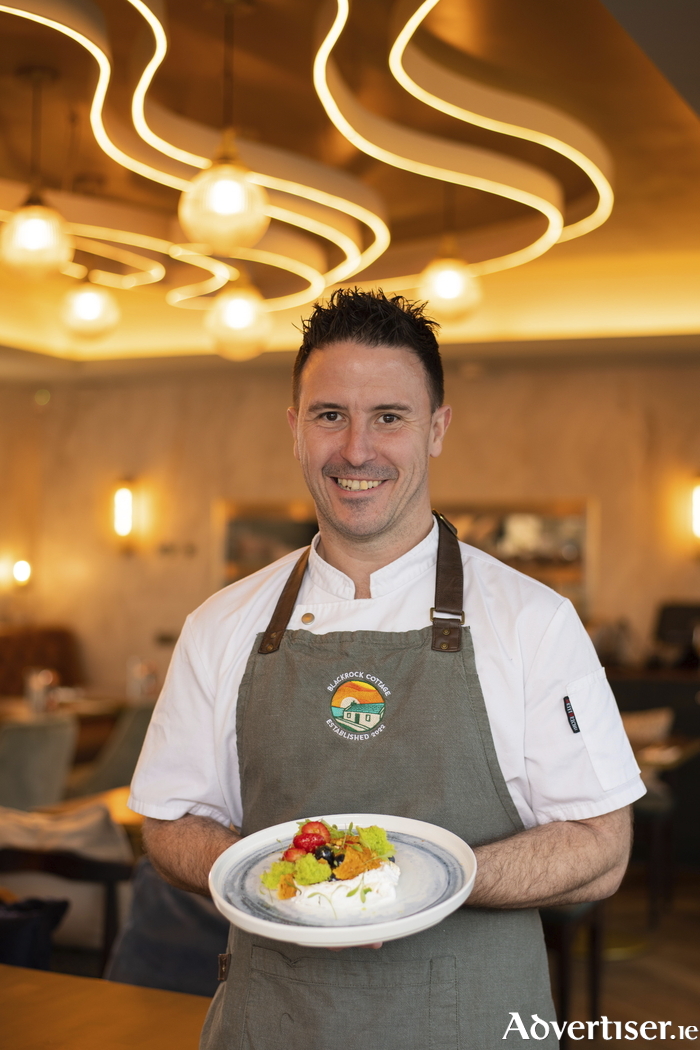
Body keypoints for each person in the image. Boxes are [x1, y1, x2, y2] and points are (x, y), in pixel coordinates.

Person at [129, 289, 645, 1049]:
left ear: (436, 429)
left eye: (390, 417)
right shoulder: (221, 624)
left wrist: (411, 882)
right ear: (295, 430)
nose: (357, 450)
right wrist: (295, 880)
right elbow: (169, 824)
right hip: (270, 1025)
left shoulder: (533, 621)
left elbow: (603, 848)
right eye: (329, 414)